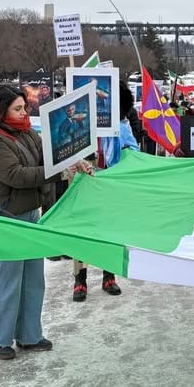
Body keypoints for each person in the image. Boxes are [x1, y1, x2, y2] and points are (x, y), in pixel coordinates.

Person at [0, 84, 89, 359]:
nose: (23, 112)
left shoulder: (26, 132)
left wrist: (76, 160)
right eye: (17, 108)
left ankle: (28, 335)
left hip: (30, 214)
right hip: (6, 218)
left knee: (32, 279)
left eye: (24, 107)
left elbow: (49, 155)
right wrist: (59, 172)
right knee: (7, 280)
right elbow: (16, 175)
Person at [72, 84, 136, 300]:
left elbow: (133, 151)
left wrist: (127, 155)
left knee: (110, 229)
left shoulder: (121, 126)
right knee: (82, 230)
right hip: (84, 182)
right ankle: (79, 279)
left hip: (109, 185)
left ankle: (109, 275)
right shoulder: (78, 124)